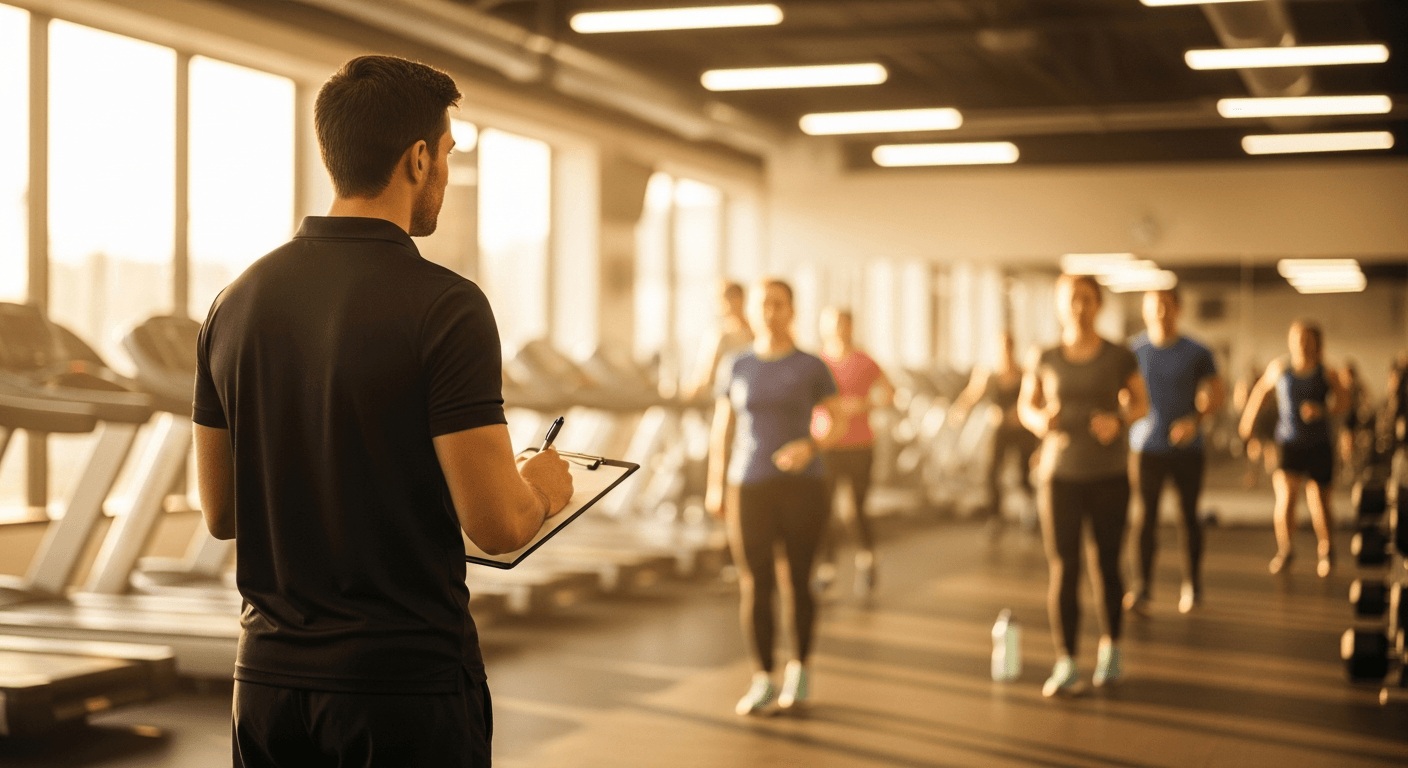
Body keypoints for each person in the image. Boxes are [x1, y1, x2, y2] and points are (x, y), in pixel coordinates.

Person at [193, 55, 573, 767]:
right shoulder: (448, 307)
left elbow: (221, 512)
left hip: (269, 689)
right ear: (419, 159)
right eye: (451, 156)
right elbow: (497, 525)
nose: (449, 179)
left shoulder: (234, 303)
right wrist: (544, 488)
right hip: (401, 690)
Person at [705, 278, 843, 716]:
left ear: (792, 310)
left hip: (804, 486)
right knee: (755, 583)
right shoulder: (737, 364)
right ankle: (763, 677)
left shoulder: (811, 366)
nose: (770, 312)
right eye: (765, 304)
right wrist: (714, 483)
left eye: (779, 304)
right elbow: (722, 428)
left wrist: (812, 445)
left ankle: (799, 670)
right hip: (748, 485)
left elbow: (836, 421)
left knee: (798, 581)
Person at [1017, 273, 1149, 697]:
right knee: (1063, 568)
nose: (1080, 306)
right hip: (1059, 476)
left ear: (1099, 304)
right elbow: (1027, 405)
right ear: (1060, 305)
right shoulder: (1046, 355)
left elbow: (1141, 403)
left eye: (1087, 299)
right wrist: (1040, 421)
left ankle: (1110, 649)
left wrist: (1121, 420)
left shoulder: (1118, 355)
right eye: (1072, 299)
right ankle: (1067, 661)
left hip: (1109, 474)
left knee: (1107, 565)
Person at [1124, 289, 1224, 616]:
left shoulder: (1197, 351)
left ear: (1177, 309)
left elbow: (1216, 394)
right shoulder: (1133, 350)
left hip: (1187, 449)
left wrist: (1197, 420)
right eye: (1154, 307)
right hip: (1146, 448)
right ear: (1145, 311)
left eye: (1166, 306)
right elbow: (1119, 393)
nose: (1161, 312)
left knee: (1188, 517)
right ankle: (1142, 590)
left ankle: (1192, 586)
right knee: (1145, 519)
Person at [1238, 320, 1349, 577]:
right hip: (1288, 443)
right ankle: (1286, 550)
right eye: (1298, 338)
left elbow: (1343, 402)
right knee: (1286, 499)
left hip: (1319, 444)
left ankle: (1327, 550)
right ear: (1291, 341)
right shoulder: (1280, 368)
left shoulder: (1326, 372)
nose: (1302, 344)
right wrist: (1247, 423)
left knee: (1319, 502)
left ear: (1316, 343)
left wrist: (1323, 410)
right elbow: (1260, 392)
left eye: (1308, 339)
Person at [811, 307, 895, 596]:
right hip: (826, 445)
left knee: (855, 510)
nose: (836, 329)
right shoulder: (817, 362)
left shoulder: (864, 361)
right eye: (831, 324)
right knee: (822, 509)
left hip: (860, 445)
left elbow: (889, 393)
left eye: (841, 324)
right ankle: (826, 568)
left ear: (850, 326)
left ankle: (867, 559)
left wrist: (864, 405)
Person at [948, 332, 1039, 538]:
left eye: (1007, 346)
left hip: (1022, 432)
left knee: (1023, 476)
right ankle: (995, 519)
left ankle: (1030, 513)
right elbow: (972, 394)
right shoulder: (988, 375)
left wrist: (1017, 414)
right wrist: (959, 410)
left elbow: (1032, 400)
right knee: (992, 473)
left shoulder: (1023, 373)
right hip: (1001, 433)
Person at [683, 281, 754, 401]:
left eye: (720, 299)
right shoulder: (757, 331)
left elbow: (707, 379)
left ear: (738, 299)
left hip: (720, 399)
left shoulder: (721, 336)